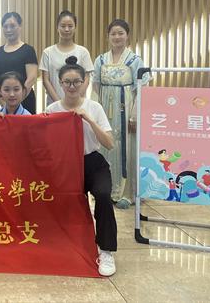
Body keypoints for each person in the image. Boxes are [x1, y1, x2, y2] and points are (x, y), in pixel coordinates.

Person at [45, 56, 117, 277]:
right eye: (67, 82)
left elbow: (109, 143)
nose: (72, 86)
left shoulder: (94, 107)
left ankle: (106, 250)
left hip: (93, 162)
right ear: (60, 83)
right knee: (62, 201)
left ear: (84, 81)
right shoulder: (52, 109)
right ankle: (65, 244)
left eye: (76, 81)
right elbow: (44, 142)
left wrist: (89, 120)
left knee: (103, 195)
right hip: (66, 165)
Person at [92, 19, 150, 209]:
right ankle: (106, 189)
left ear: (127, 35)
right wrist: (94, 112)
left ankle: (128, 193)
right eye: (113, 34)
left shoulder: (135, 60)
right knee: (106, 147)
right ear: (108, 36)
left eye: (120, 33)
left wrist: (135, 115)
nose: (117, 37)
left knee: (127, 148)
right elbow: (95, 87)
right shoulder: (100, 60)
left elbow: (142, 89)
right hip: (105, 110)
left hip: (126, 111)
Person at [40, 10, 94, 104]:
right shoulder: (48, 52)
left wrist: (75, 99)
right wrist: (60, 104)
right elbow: (46, 80)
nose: (66, 29)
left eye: (70, 26)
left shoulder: (83, 52)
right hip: (54, 104)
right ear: (57, 28)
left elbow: (86, 79)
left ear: (75, 28)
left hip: (78, 104)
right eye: (63, 26)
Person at [0, 12, 38, 114]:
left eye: (12, 26)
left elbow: (31, 78)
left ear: (20, 26)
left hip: (25, 100)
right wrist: (3, 101)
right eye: (5, 26)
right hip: (5, 101)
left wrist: (16, 100)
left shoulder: (28, 50)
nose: (9, 30)